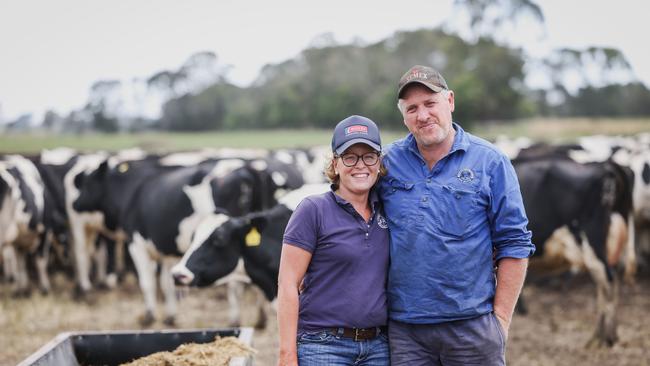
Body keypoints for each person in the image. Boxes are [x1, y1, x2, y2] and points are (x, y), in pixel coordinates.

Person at [378, 65, 536, 365]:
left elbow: (514, 242)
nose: (422, 115)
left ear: (449, 101)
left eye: (430, 103)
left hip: (472, 327)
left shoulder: (490, 161)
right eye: (412, 108)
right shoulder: (386, 163)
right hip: (405, 331)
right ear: (403, 116)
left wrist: (500, 320)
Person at [277, 115, 391, 366]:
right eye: (350, 157)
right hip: (323, 346)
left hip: (379, 347)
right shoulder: (313, 210)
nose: (360, 165)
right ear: (335, 163)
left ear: (378, 162)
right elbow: (287, 285)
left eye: (369, 156)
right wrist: (286, 355)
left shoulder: (388, 211)